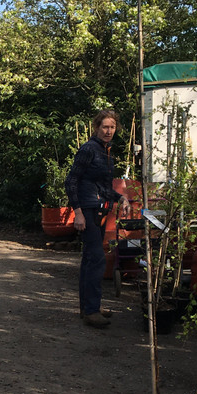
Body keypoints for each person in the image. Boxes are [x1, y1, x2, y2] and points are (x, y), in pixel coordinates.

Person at [64, 109, 131, 328]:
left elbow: (103, 187)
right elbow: (71, 181)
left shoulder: (106, 151)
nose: (108, 131)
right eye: (105, 127)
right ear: (96, 127)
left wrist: (121, 198)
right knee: (97, 259)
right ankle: (91, 311)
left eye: (112, 127)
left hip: (100, 208)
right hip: (88, 210)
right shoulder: (88, 150)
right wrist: (78, 212)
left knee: (90, 259)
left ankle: (89, 307)